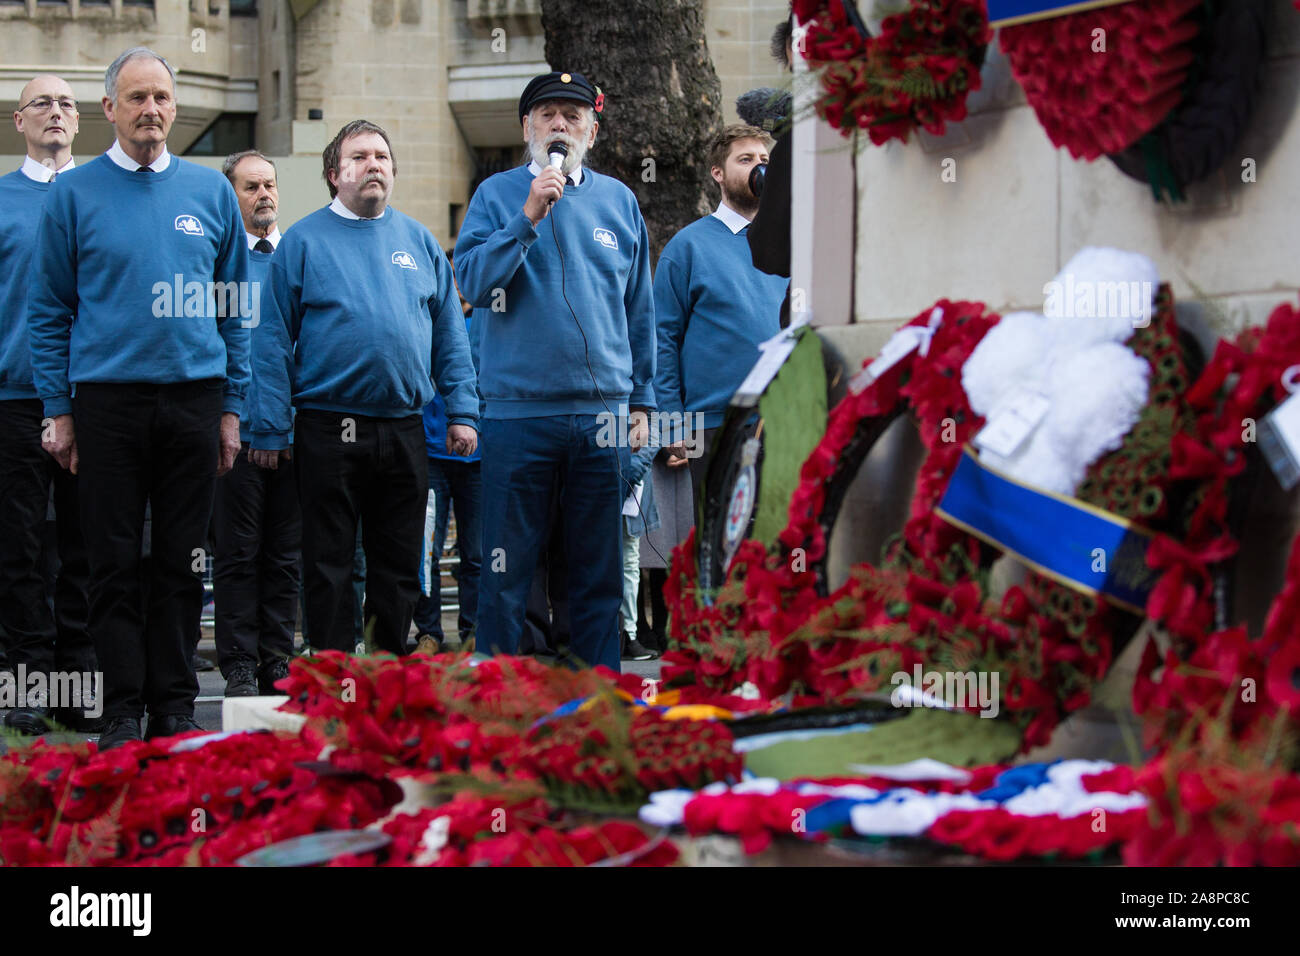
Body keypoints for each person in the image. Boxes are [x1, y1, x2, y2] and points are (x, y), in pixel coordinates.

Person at [28, 47, 251, 750]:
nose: (150, 110)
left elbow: (235, 309)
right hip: (107, 405)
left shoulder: (211, 193)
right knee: (112, 563)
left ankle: (176, 706)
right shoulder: (73, 194)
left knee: (183, 562)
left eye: (160, 97)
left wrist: (232, 406)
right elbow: (48, 310)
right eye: (136, 99)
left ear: (174, 107)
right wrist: (58, 410)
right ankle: (122, 711)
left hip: (193, 400)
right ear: (110, 110)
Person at [248, 120, 479, 657]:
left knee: (397, 563)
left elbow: (450, 339)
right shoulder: (302, 242)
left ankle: (384, 675)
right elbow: (272, 342)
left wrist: (464, 412)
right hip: (328, 429)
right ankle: (333, 674)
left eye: (382, 156)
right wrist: (269, 426)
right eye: (360, 156)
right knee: (328, 563)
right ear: (335, 174)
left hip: (404, 429)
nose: (374, 164)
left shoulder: (419, 242)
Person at [454, 71, 656, 671]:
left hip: (605, 417)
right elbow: (470, 281)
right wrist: (527, 217)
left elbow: (638, 311)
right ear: (527, 129)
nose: (559, 125)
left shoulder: (620, 201)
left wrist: (643, 402)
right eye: (546, 115)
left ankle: (596, 703)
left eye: (572, 115)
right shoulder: (496, 194)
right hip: (519, 415)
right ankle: (498, 696)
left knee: (596, 574)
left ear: (592, 129)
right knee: (507, 571)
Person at [0, 74, 95, 734]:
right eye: (43, 104)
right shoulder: (1, 200)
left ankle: (77, 683)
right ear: (18, 121)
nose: (56, 113)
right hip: (13, 397)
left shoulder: (101, 197)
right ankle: (25, 684)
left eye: (66, 104)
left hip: (92, 399)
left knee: (86, 549)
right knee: (19, 552)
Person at [212, 150, 301, 696]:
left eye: (269, 185)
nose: (264, 194)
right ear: (231, 196)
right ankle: (240, 663)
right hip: (235, 434)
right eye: (251, 187)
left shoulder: (296, 258)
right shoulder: (217, 265)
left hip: (293, 435)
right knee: (238, 554)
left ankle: (277, 659)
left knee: (286, 555)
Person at [654, 124, 788, 488]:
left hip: (786, 415)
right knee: (724, 539)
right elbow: (662, 339)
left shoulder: (792, 242)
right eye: (745, 159)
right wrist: (670, 420)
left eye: (764, 159)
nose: (758, 167)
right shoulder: (687, 247)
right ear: (718, 173)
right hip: (713, 423)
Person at [412, 376, 483, 654]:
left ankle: (474, 633)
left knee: (476, 554)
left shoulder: (486, 330)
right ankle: (428, 634)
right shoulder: (431, 329)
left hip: (479, 452)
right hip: (431, 450)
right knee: (427, 553)